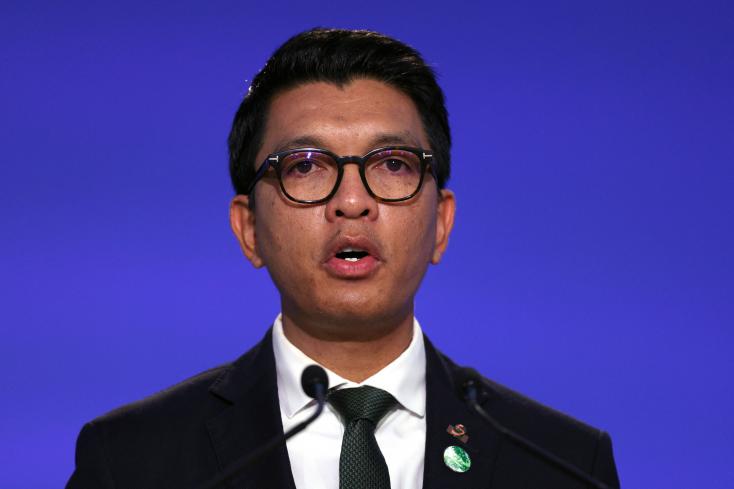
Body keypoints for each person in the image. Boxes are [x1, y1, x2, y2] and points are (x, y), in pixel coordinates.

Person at [66, 28, 620, 489]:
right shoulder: (132, 461)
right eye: (306, 166)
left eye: (393, 164)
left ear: (441, 224)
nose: (352, 201)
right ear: (249, 228)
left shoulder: (563, 464)